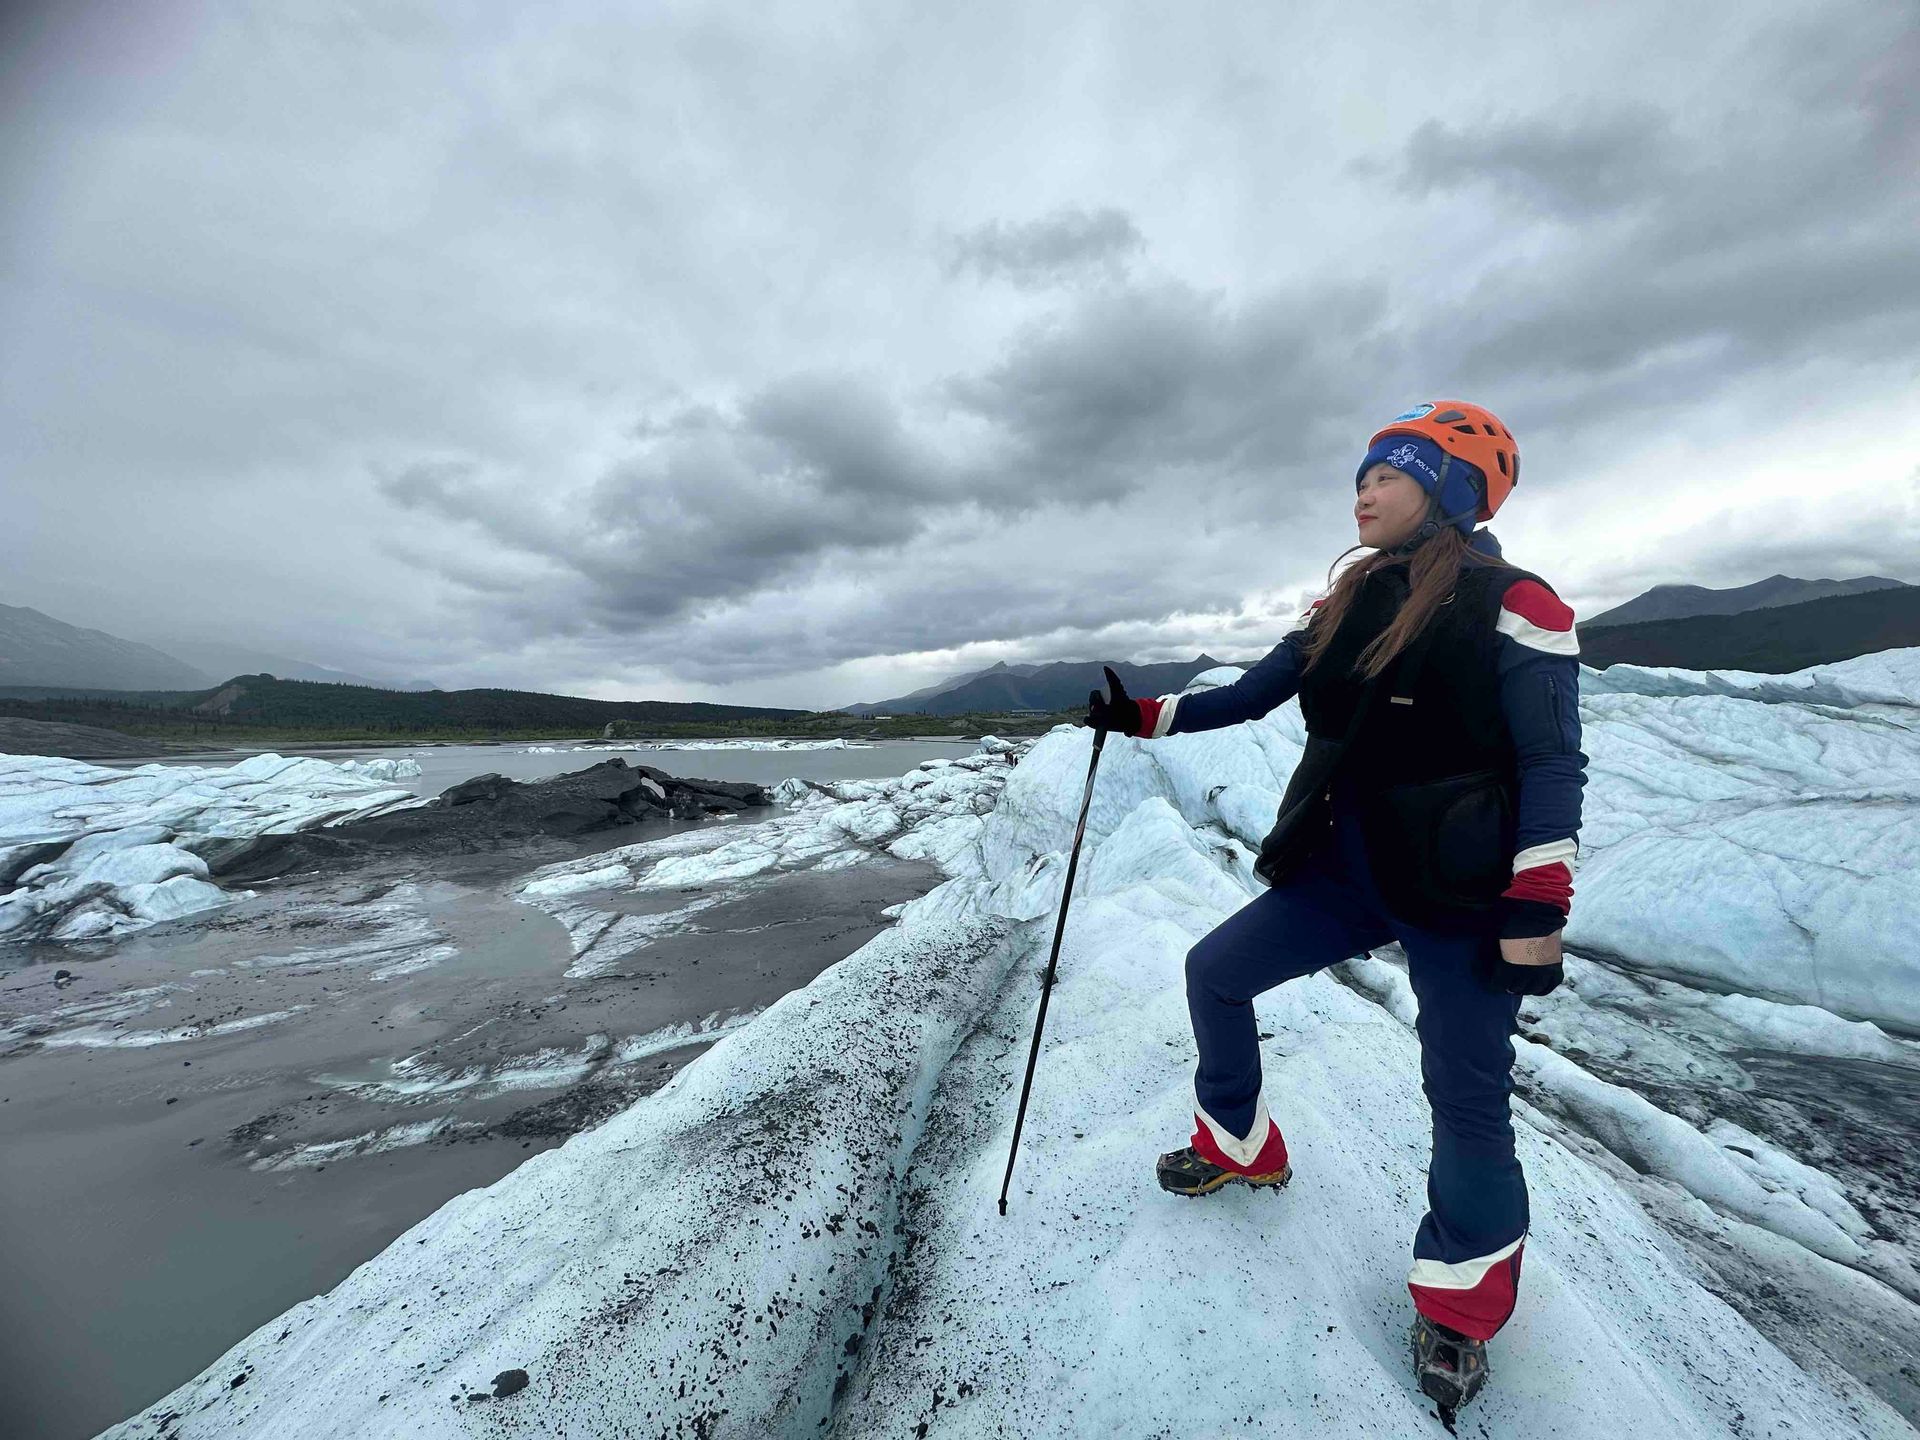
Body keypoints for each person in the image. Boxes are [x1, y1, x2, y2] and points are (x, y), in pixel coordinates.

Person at [1083, 401, 1586, 1413]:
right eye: (1361, 474)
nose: (1363, 489)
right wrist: (1140, 715)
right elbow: (1251, 692)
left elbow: (1550, 758)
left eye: (1389, 474)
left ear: (1447, 489)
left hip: (1463, 890)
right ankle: (1239, 1144)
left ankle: (1458, 1309)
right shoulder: (1344, 603)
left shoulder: (1519, 602)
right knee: (1215, 973)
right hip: (1349, 869)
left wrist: (1541, 897)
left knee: (1466, 1096)